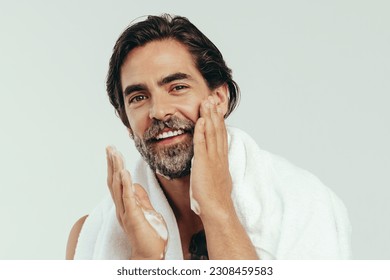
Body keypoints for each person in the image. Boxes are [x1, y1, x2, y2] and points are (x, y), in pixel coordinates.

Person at [66, 14, 351, 260]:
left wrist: (217, 208)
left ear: (219, 97)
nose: (159, 111)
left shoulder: (304, 207)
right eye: (139, 97)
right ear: (126, 121)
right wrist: (144, 258)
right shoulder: (88, 236)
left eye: (177, 87)